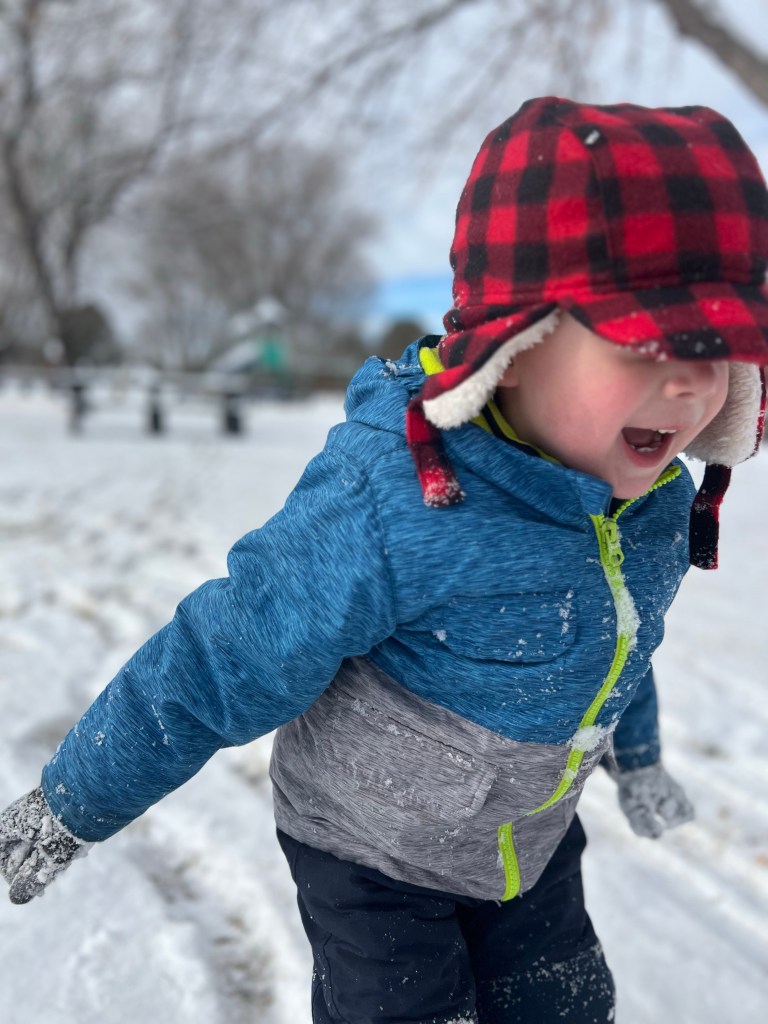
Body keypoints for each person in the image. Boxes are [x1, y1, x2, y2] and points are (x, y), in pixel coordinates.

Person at [2, 97, 768, 1023]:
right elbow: (220, 659)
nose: (690, 382)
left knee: (567, 1007)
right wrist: (72, 802)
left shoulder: (650, 505)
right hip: (369, 850)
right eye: (647, 342)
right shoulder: (392, 501)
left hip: (525, 845)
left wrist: (636, 758)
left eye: (721, 347)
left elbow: (617, 641)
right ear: (515, 346)